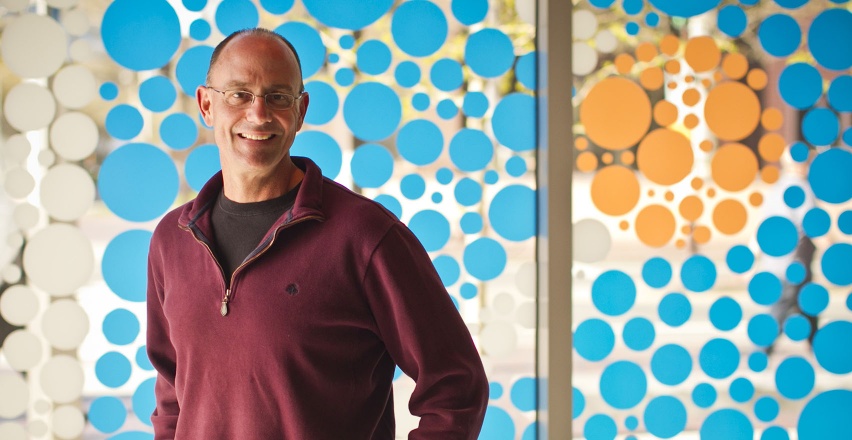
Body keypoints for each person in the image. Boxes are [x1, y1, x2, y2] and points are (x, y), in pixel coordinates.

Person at [146, 28, 489, 439]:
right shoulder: (172, 240)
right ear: (206, 104)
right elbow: (172, 393)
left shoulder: (366, 237)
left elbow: (456, 386)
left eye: (278, 97)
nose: (258, 114)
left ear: (301, 110)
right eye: (238, 94)